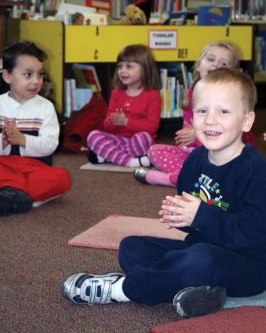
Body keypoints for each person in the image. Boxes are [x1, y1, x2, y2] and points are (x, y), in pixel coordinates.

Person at [61, 68, 266, 318]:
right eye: (202, 111)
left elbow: (255, 231)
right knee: (132, 247)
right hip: (201, 249)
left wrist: (200, 216)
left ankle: (125, 288)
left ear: (247, 121)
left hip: (249, 265)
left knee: (199, 260)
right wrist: (181, 218)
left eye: (223, 111)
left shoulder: (256, 171)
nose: (210, 120)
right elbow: (195, 226)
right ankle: (201, 291)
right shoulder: (195, 161)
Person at [134, 41, 256, 187]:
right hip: (199, 153)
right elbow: (190, 133)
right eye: (210, 59)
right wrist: (190, 137)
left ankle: (175, 179)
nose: (216, 65)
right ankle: (192, 178)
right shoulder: (192, 94)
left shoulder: (232, 97)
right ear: (199, 64)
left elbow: (230, 138)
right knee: (155, 151)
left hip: (228, 155)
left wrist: (197, 135)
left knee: (231, 171)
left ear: (233, 73)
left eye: (224, 64)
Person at [0, 40, 70, 215]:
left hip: (34, 168)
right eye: (28, 74)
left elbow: (50, 144)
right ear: (7, 76)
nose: (36, 81)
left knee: (61, 177)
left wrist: (23, 139)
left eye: (40, 74)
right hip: (4, 165)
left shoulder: (46, 107)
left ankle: (15, 195)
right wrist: (4, 140)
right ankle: (19, 196)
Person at [86, 44, 161, 167]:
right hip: (119, 141)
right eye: (120, 66)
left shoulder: (153, 95)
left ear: (145, 69)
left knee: (144, 138)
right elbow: (106, 126)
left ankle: (110, 157)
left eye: (129, 66)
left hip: (140, 142)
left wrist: (126, 122)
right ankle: (131, 161)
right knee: (93, 135)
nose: (122, 71)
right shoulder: (116, 93)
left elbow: (152, 127)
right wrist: (112, 121)